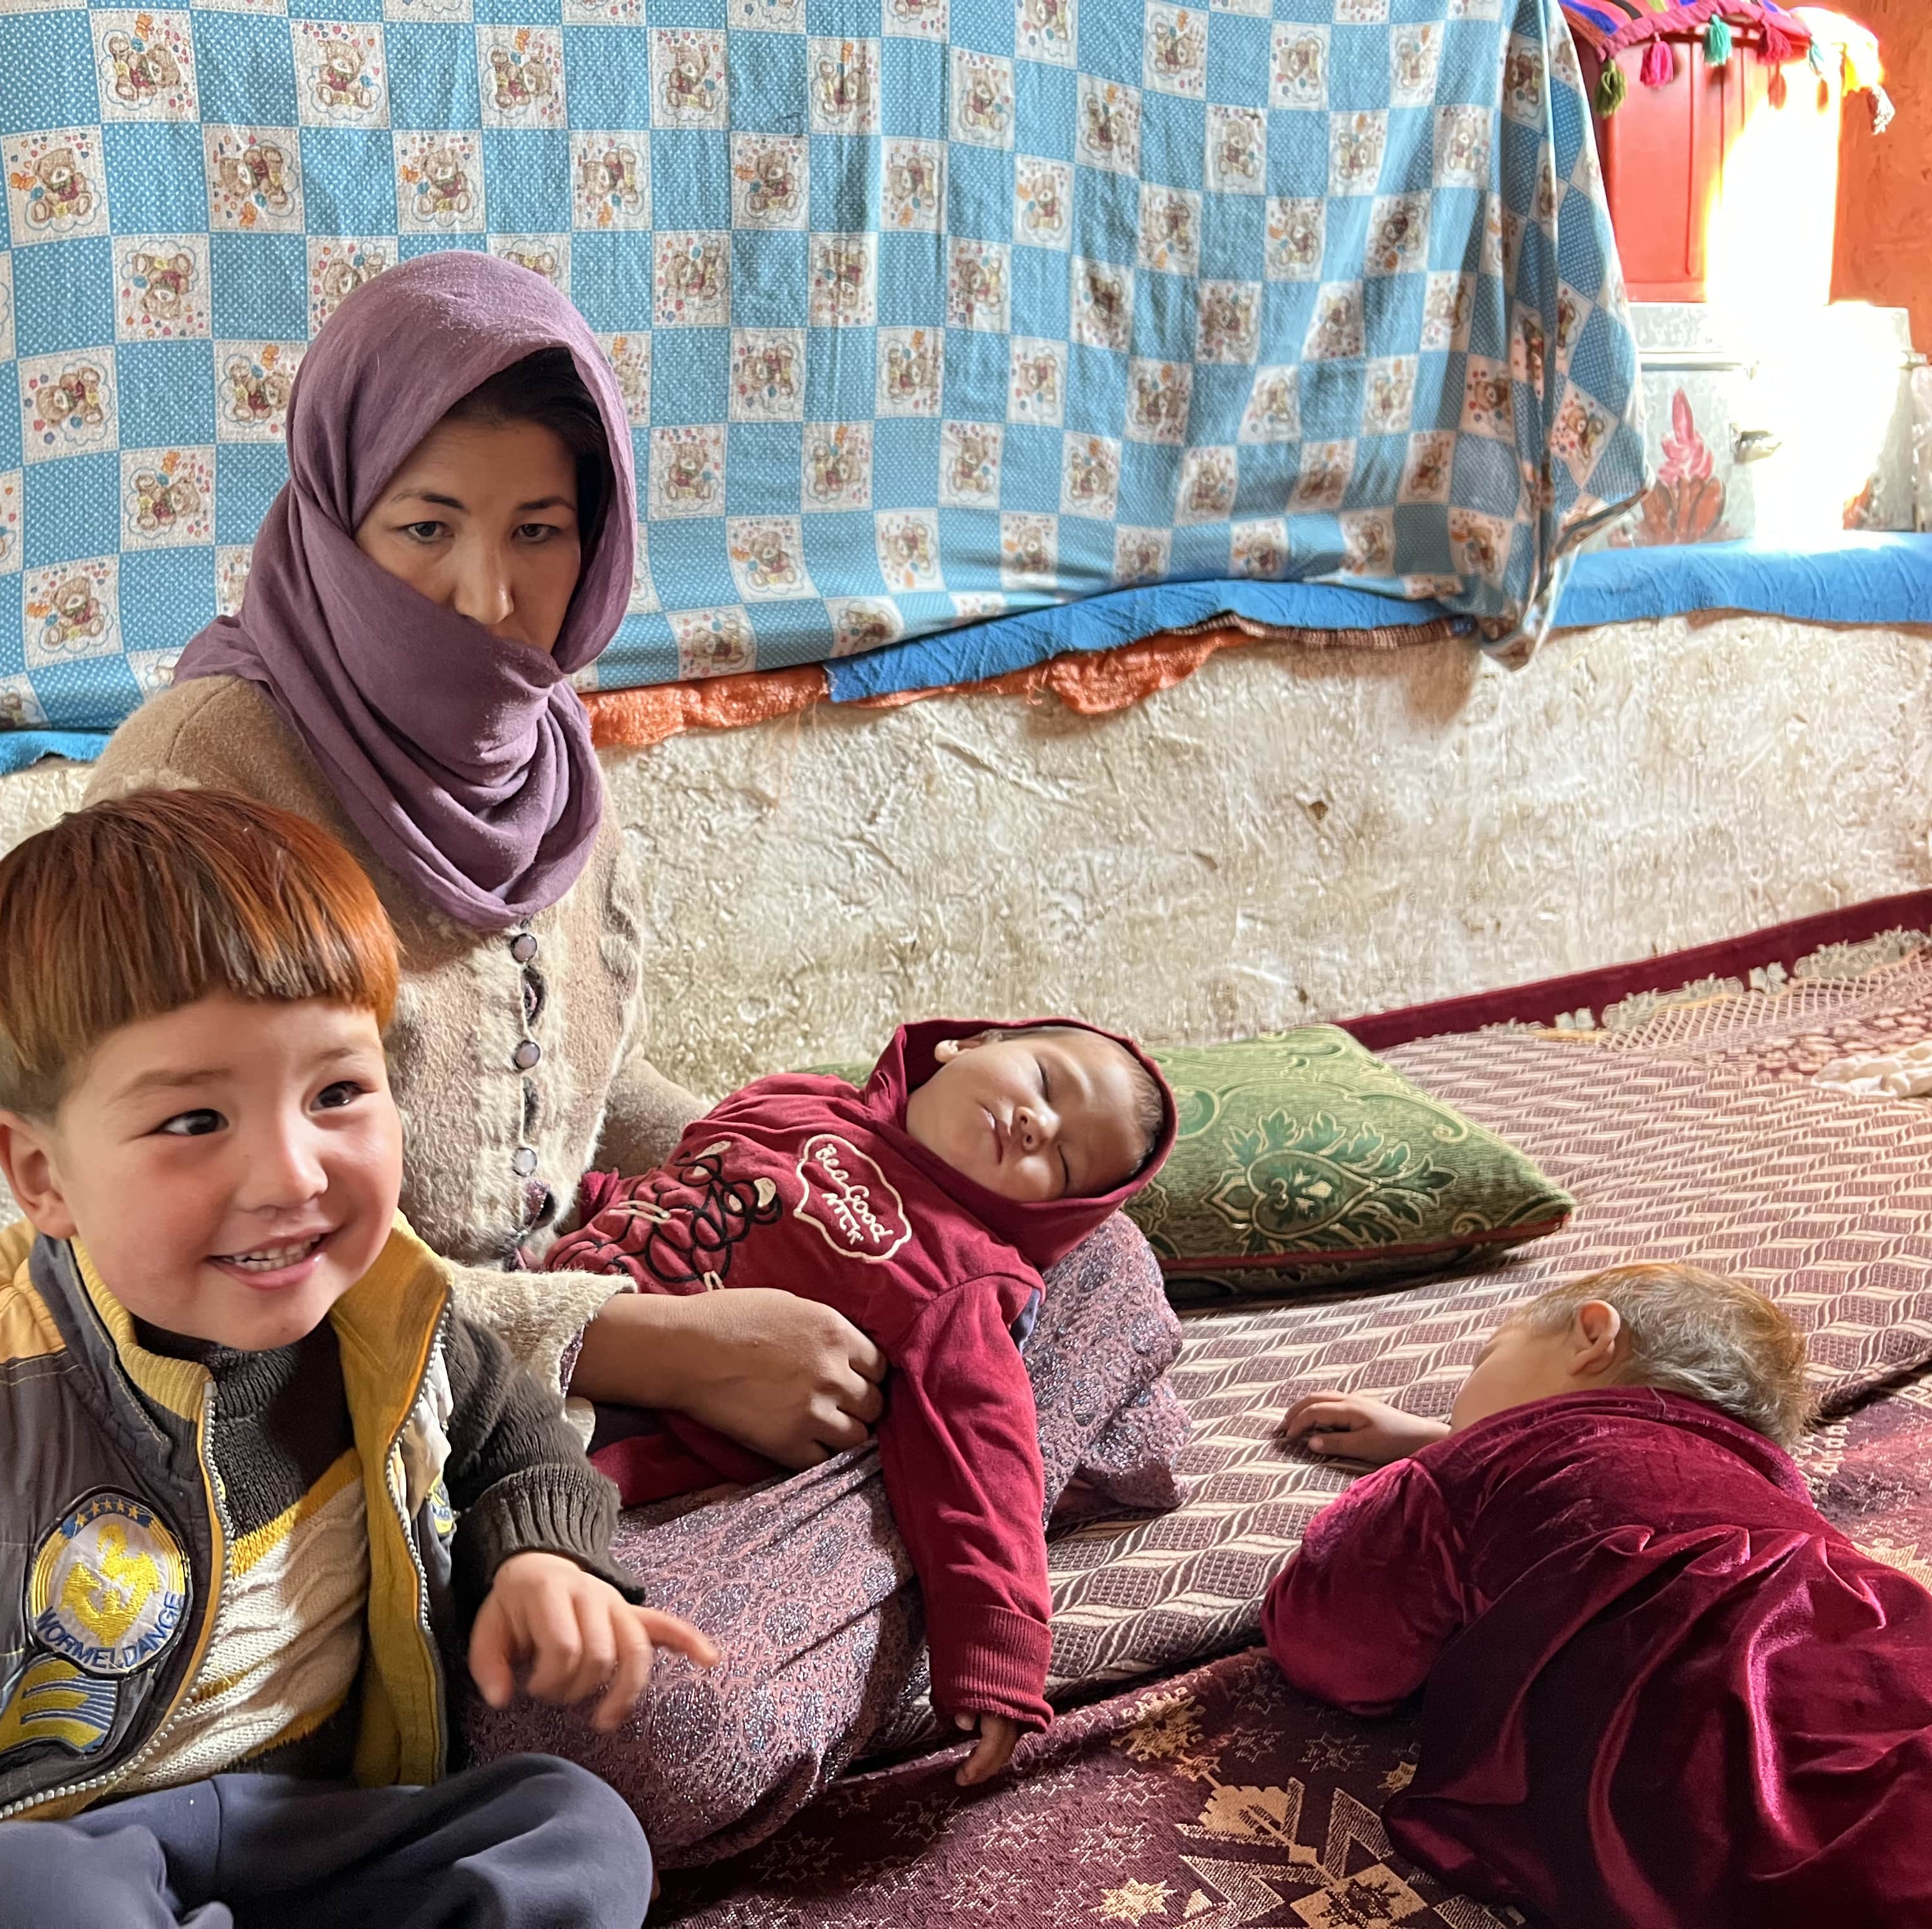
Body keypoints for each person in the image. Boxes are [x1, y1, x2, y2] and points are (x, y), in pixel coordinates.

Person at [86, 251, 1188, 1861]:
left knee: (1083, 1246)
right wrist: (643, 1346)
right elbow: (215, 1263)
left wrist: (815, 1167)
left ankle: (928, 1494)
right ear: (333, 515)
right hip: (352, 1423)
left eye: (541, 533)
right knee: (621, 1733)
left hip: (605, 1350)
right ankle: (960, 1503)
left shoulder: (541, 752)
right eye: (424, 528)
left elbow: (585, 1100)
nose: (486, 599)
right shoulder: (208, 789)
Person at [0, 788, 715, 1929]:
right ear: (41, 1174)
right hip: (37, 1850)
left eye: (337, 1091)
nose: (291, 1175)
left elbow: (516, 1444)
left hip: (299, 1819)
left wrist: (543, 1564)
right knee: (28, 1898)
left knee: (572, 1830)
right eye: (192, 1121)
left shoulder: (391, 1310)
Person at [545, 1021, 1177, 1787]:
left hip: (620, 1445)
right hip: (554, 1302)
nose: (1035, 1124)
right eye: (1045, 1083)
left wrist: (997, 1648)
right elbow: (679, 1175)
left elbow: (984, 1465)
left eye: (1065, 1160)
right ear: (967, 1045)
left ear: (1050, 1217)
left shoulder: (966, 1278)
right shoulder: (796, 1097)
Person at [1264, 1262, 1932, 1929]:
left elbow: (1333, 1649)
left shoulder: (1480, 1465)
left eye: (1486, 1357)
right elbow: (1622, 1472)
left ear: (1591, 1336)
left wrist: (1431, 1469)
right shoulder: (1771, 1502)